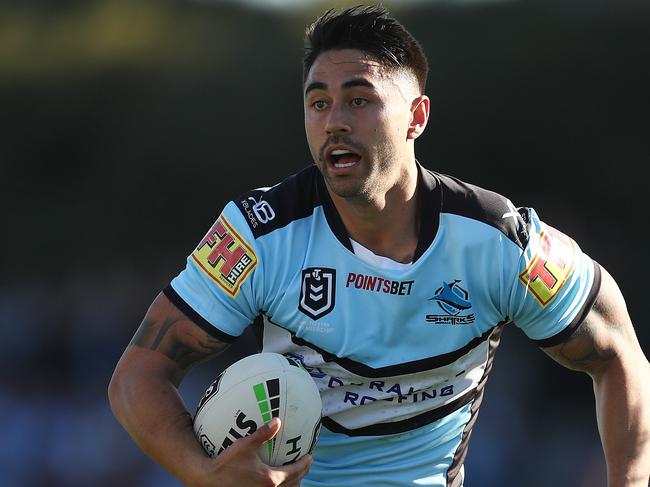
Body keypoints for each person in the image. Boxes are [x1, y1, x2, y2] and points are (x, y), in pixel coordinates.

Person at [108, 6, 650, 486]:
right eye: (317, 103)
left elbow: (618, 354)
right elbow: (138, 375)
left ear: (416, 117)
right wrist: (204, 474)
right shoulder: (260, 234)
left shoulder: (500, 242)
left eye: (359, 99)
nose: (335, 122)